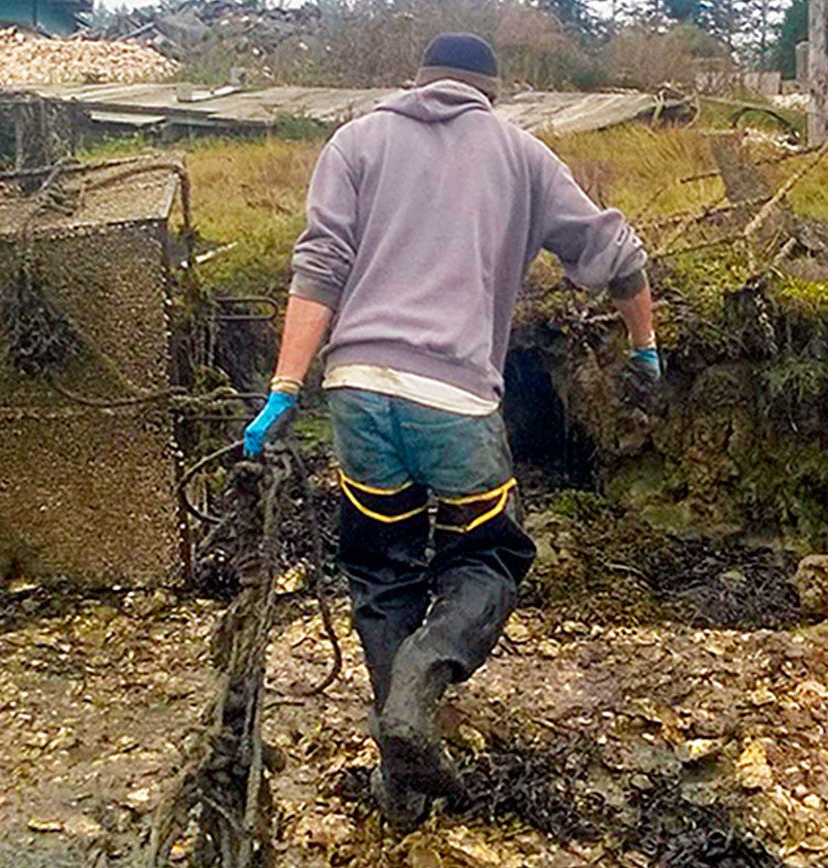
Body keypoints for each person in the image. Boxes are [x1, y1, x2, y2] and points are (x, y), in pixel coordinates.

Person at [242, 32, 663, 829]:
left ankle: (400, 786)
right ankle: (426, 680)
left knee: (382, 571)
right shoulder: (523, 157)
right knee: (489, 552)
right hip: (455, 398)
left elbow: (319, 267)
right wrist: (644, 349)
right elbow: (620, 257)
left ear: (418, 81)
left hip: (358, 391)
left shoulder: (356, 141)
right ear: (489, 93)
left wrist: (284, 388)